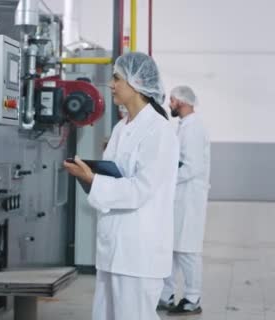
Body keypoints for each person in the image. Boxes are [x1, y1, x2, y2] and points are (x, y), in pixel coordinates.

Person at [63, 52, 179, 320]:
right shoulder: (121, 128)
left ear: (136, 83)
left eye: (116, 78)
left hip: (139, 251)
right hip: (113, 248)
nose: (111, 84)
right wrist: (88, 176)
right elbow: (113, 179)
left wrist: (93, 179)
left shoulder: (159, 131)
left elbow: (140, 190)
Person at [158, 86, 211, 315]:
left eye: (172, 100)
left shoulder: (194, 128)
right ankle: (165, 295)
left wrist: (164, 181)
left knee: (188, 250)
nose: (169, 104)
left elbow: (192, 168)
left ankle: (192, 298)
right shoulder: (184, 127)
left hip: (189, 198)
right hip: (179, 198)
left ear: (181, 101)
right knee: (172, 249)